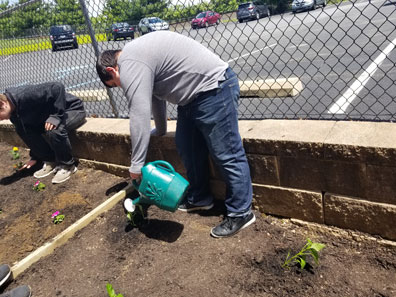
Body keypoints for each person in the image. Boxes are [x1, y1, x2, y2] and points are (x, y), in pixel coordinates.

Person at [96, 31, 255, 238]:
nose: (121, 85)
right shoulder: (138, 59)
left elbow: (139, 112)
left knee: (226, 153)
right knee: (186, 146)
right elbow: (153, 98)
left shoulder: (130, 61)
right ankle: (200, 198)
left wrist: (136, 164)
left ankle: (241, 212)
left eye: (116, 83)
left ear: (111, 69)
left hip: (214, 89)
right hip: (190, 100)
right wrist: (161, 130)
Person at [0, 82, 86, 184]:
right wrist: (35, 156)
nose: (0, 120)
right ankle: (50, 160)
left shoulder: (25, 95)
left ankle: (68, 166)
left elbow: (57, 87)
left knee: (54, 129)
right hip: (48, 116)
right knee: (23, 130)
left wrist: (56, 116)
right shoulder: (13, 113)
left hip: (71, 109)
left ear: (2, 104)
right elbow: (28, 131)